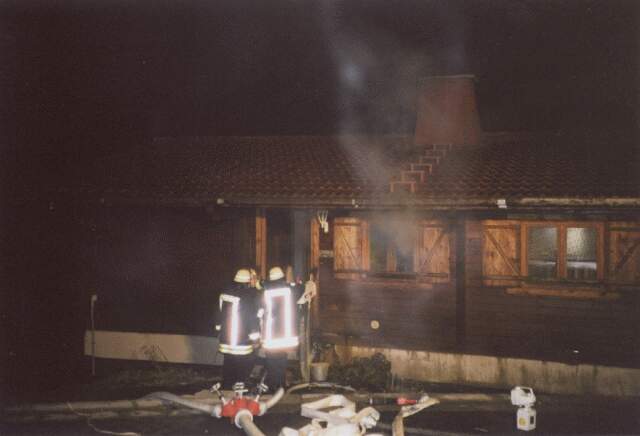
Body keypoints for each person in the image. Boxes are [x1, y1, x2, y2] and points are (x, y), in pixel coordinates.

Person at [215, 268, 261, 389]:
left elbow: (219, 313)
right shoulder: (248, 296)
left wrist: (218, 330)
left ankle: (226, 385)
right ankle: (241, 386)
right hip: (241, 340)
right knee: (242, 365)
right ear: (247, 281)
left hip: (226, 338)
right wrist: (255, 338)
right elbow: (252, 319)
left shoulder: (224, 293)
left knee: (229, 362)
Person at [260, 266, 302, 391]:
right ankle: (280, 386)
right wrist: (292, 283)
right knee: (281, 361)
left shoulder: (264, 292)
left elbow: (259, 310)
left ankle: (272, 387)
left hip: (270, 336)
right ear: (282, 278)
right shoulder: (290, 290)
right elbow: (301, 289)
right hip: (285, 336)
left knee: (271, 362)